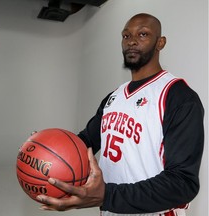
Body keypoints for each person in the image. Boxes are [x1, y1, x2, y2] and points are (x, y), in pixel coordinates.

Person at [36, 13, 204, 216]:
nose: (131, 41)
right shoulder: (113, 97)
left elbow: (183, 183)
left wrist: (107, 195)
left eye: (143, 34)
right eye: (126, 36)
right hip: (111, 211)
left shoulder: (179, 97)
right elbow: (84, 143)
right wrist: (47, 148)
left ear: (160, 42)